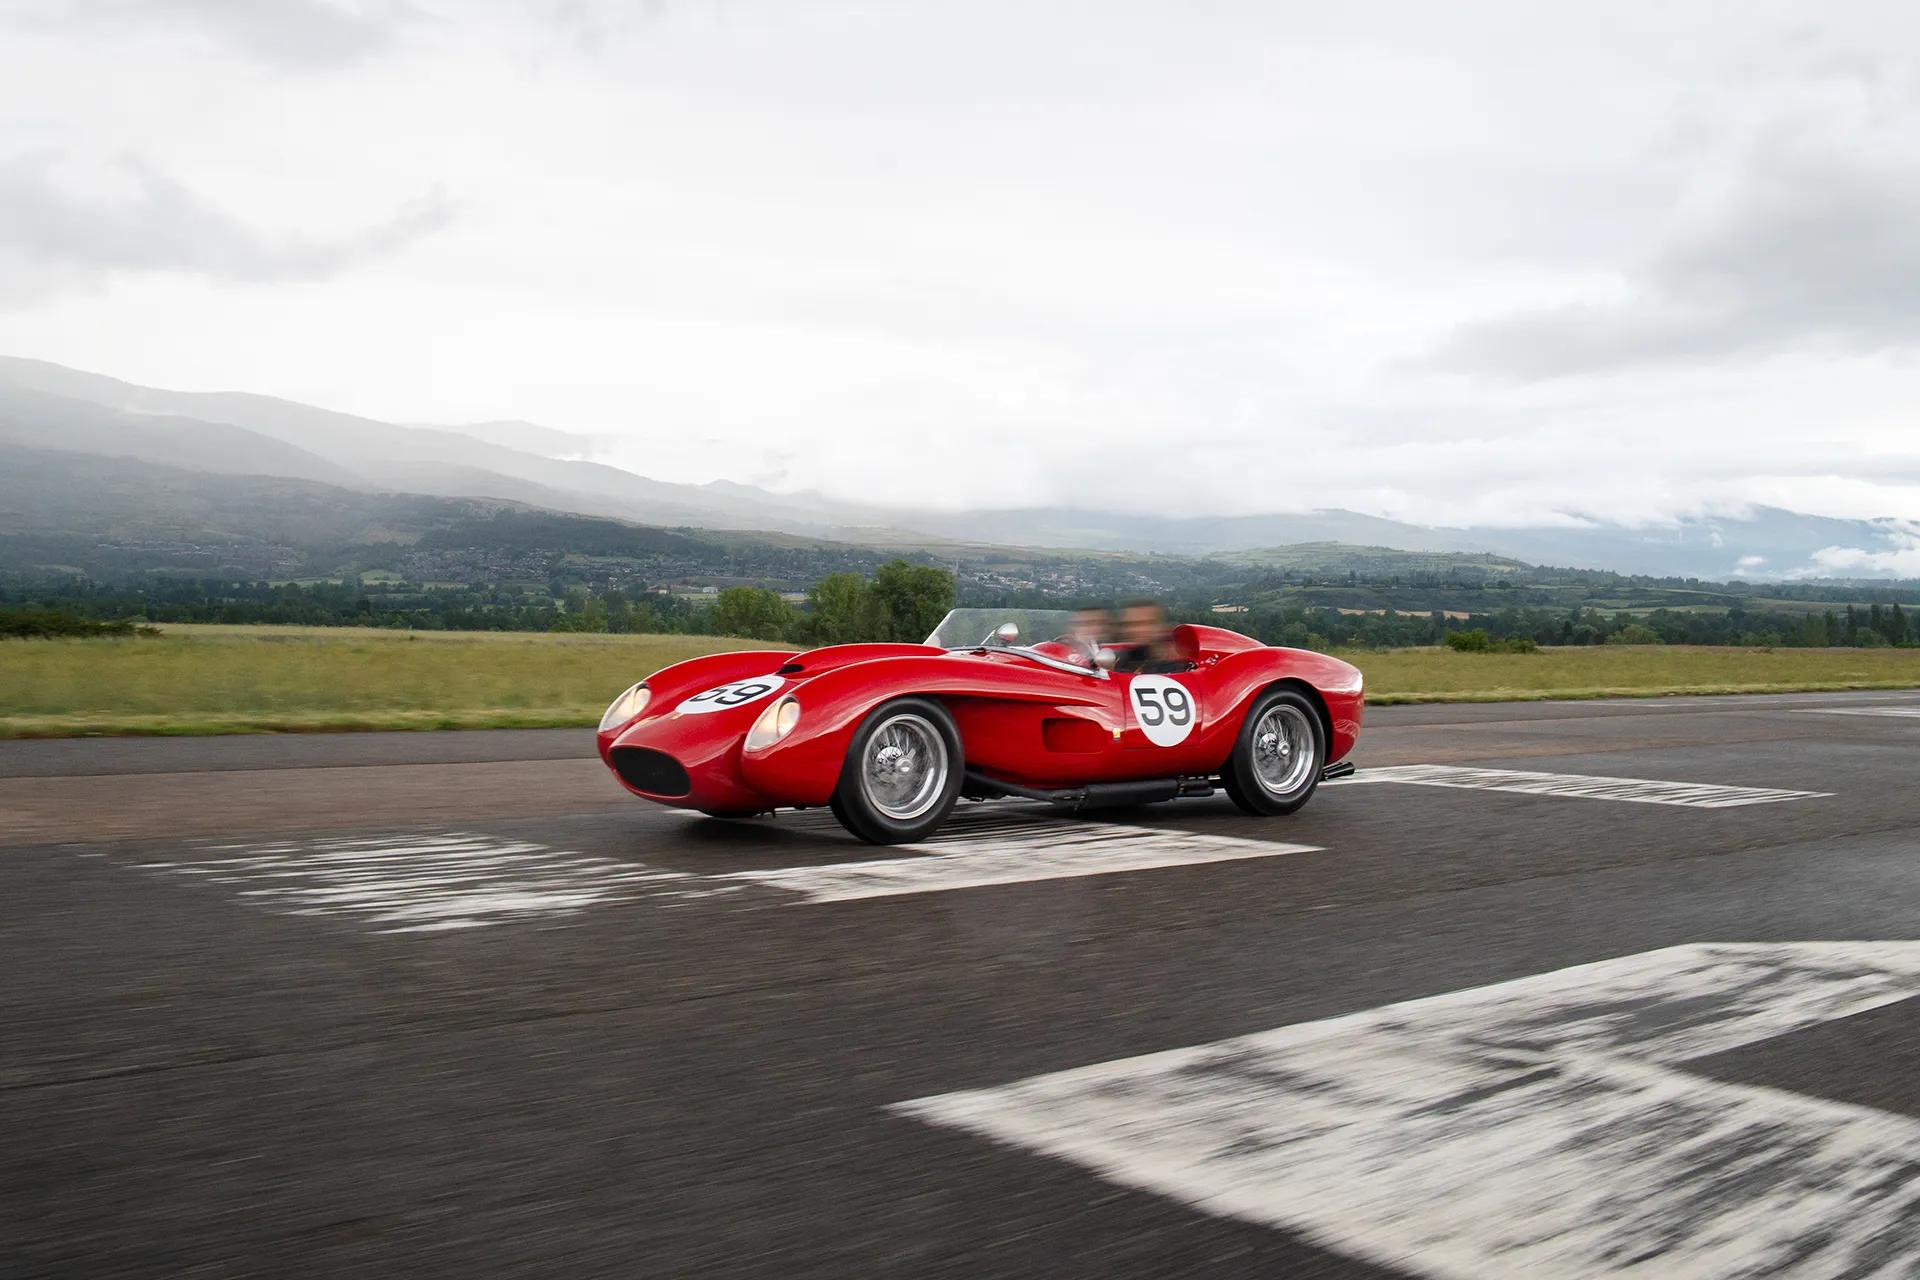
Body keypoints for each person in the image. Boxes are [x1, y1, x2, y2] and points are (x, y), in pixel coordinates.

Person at [1110, 599, 1182, 672]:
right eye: (1130, 624)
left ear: (1161, 625)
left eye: (1145, 623)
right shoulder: (1121, 661)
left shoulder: (1182, 663)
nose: (1135, 630)